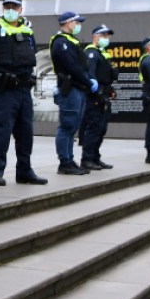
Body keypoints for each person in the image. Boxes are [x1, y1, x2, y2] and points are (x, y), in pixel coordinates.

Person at [0, 0, 46, 186]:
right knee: (2, 131)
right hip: (4, 89)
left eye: (14, 7)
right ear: (2, 8)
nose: (11, 10)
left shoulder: (27, 29)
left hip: (24, 89)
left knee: (25, 132)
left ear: (21, 9)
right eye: (7, 7)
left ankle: (24, 171)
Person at [49, 10, 93, 175]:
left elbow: (82, 65)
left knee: (73, 126)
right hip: (70, 88)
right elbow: (73, 67)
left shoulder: (71, 41)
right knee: (67, 126)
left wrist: (87, 81)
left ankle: (70, 159)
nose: (78, 26)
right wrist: (88, 82)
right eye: (76, 22)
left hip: (78, 88)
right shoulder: (61, 42)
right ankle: (64, 162)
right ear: (68, 23)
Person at [80, 23, 118, 169]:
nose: (106, 38)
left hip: (104, 94)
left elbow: (105, 76)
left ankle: (95, 157)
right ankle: (87, 159)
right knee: (94, 127)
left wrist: (110, 89)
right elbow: (91, 75)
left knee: (101, 129)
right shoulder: (92, 53)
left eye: (107, 36)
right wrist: (98, 93)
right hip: (95, 96)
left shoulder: (101, 53)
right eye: (103, 35)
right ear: (95, 37)